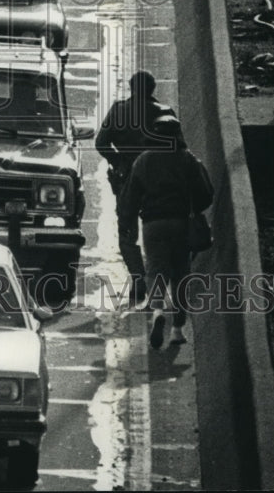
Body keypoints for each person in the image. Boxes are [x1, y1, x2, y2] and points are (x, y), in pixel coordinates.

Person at [119, 116, 214, 348]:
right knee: (181, 274)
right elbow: (206, 193)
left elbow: (129, 199)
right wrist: (192, 208)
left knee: (156, 270)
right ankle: (177, 330)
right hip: (181, 223)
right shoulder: (188, 160)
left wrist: (126, 223)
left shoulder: (143, 161)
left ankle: (158, 311)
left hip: (152, 225)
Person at [95, 71, 176, 304]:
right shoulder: (164, 113)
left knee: (128, 233)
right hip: (159, 183)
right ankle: (157, 281)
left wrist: (118, 160)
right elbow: (178, 147)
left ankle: (138, 280)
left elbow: (101, 142)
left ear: (131, 88)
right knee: (158, 231)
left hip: (127, 180)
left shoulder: (119, 111)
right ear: (153, 89)